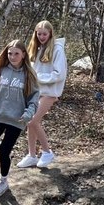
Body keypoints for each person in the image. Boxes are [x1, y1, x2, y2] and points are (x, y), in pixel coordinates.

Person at [0, 40, 40, 199]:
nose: (12, 56)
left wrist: (28, 114)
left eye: (16, 54)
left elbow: (34, 99)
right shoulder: (0, 70)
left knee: (4, 151)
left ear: (23, 55)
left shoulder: (29, 75)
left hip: (17, 119)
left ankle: (3, 181)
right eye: (10, 53)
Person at [16, 20, 66, 168]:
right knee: (30, 123)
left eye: (44, 34)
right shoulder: (36, 48)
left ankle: (47, 152)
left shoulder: (57, 49)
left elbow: (59, 74)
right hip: (36, 91)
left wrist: (38, 78)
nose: (42, 36)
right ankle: (31, 155)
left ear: (50, 33)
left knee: (32, 121)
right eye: (39, 34)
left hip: (50, 92)